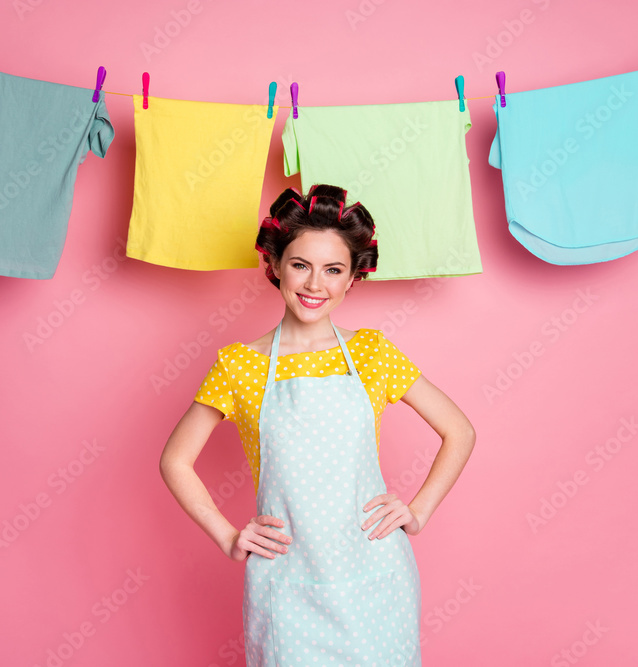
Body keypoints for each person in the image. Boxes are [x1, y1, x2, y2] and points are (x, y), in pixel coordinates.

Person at [159, 184, 476, 665]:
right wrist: (228, 535)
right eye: (300, 265)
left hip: (375, 576)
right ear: (276, 266)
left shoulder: (372, 353)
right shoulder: (238, 365)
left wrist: (419, 510)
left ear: (352, 279)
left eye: (333, 270)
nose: (315, 284)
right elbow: (175, 461)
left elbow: (460, 430)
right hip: (286, 584)